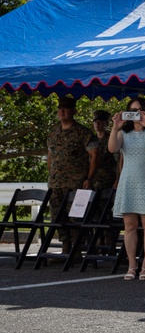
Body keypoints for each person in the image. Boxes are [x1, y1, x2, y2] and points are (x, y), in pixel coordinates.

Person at [108, 98, 145, 281]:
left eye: (140, 110)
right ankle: (132, 265)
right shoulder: (124, 133)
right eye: (132, 110)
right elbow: (112, 149)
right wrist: (116, 127)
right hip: (128, 181)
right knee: (129, 226)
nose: (136, 113)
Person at [46, 95, 98, 260]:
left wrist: (88, 178)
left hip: (76, 184)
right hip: (56, 183)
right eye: (60, 109)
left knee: (75, 217)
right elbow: (50, 156)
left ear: (73, 111)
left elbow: (95, 156)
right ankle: (65, 248)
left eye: (66, 109)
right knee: (57, 217)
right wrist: (52, 174)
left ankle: (76, 250)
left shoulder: (83, 132)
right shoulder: (54, 132)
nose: (62, 112)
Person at [90, 110, 119, 191]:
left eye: (100, 122)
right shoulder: (91, 140)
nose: (97, 124)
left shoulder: (111, 139)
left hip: (107, 180)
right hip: (92, 179)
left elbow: (118, 161)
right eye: (95, 121)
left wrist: (117, 179)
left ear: (106, 124)